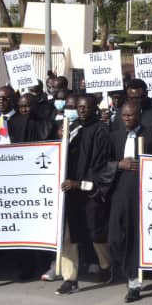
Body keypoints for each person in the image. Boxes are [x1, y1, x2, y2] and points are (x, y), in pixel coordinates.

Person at [53, 94, 115, 294]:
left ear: (94, 108)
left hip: (90, 191)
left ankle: (107, 266)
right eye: (78, 107)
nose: (81, 111)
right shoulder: (72, 129)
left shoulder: (101, 132)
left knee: (95, 233)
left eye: (85, 107)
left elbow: (102, 166)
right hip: (69, 191)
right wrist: (61, 138)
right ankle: (70, 278)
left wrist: (80, 184)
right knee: (69, 234)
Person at [108, 101, 152, 302]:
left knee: (134, 237)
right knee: (115, 237)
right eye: (124, 116)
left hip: (140, 194)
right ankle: (125, 269)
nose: (127, 119)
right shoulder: (115, 136)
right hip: (119, 193)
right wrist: (118, 164)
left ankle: (134, 282)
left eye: (130, 116)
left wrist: (146, 166)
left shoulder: (150, 136)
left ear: (138, 115)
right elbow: (104, 163)